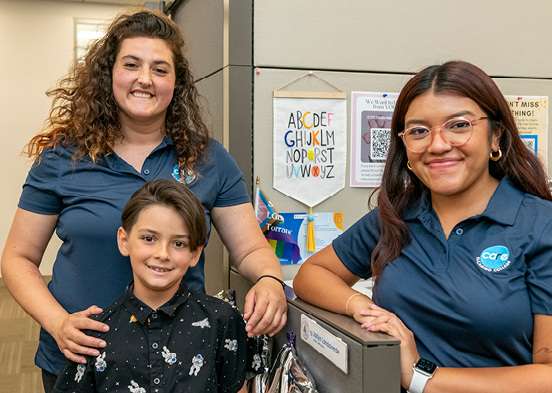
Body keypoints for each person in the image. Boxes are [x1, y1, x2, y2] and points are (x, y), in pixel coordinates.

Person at [1, 9, 285, 392]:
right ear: (109, 75)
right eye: (131, 64)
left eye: (160, 69)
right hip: (82, 359)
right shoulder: (61, 158)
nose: (144, 79)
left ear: (177, 82)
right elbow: (18, 258)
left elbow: (250, 248)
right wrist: (57, 322)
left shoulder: (210, 160)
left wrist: (269, 280)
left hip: (181, 365)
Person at [293, 61, 552, 392]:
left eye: (459, 125)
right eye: (418, 131)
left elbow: (548, 374)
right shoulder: (396, 218)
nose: (438, 144)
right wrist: (364, 309)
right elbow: (311, 275)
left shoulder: (540, 226)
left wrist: (422, 378)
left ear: (495, 137)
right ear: (406, 150)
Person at [52, 179, 247, 393]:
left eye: (178, 243)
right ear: (124, 241)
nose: (162, 254)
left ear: (195, 253)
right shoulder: (92, 336)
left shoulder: (222, 320)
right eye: (149, 238)